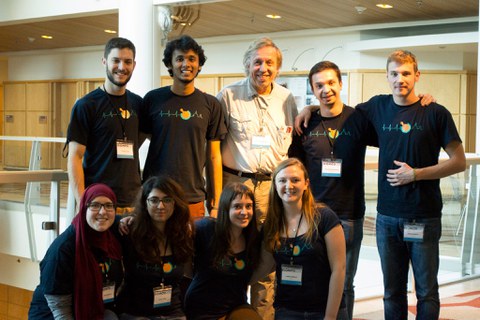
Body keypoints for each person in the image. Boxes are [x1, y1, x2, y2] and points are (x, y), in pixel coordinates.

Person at [355, 50, 466, 319]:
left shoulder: (435, 112)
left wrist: (415, 174)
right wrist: (310, 108)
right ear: (387, 76)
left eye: (406, 73)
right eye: (394, 73)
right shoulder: (377, 107)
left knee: (426, 291)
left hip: (424, 217)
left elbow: (459, 162)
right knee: (392, 291)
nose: (399, 79)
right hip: (387, 218)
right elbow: (338, 114)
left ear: (417, 76)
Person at [288, 61, 377, 320]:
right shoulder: (305, 124)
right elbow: (295, 169)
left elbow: (393, 134)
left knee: (346, 282)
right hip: (311, 215)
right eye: (319, 85)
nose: (326, 89)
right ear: (313, 90)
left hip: (349, 214)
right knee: (311, 279)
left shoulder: (358, 119)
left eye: (330, 83)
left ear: (340, 83)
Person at [216, 36, 298, 319]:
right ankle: (232, 312)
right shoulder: (227, 96)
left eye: (270, 63)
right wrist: (214, 193)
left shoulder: (286, 99)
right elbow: (212, 148)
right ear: (247, 65)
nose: (263, 68)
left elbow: (295, 140)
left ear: (277, 68)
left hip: (272, 188)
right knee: (231, 252)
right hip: (235, 184)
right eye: (257, 62)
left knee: (267, 257)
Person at [141, 35, 227, 220]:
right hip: (155, 194)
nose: (185, 64)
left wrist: (216, 202)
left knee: (189, 248)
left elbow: (214, 155)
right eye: (179, 59)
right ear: (170, 64)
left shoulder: (211, 104)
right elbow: (139, 140)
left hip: (192, 195)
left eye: (191, 59)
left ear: (199, 65)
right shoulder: (152, 100)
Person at [252, 158, 347, 319]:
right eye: (282, 180)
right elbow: (265, 266)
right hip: (287, 311)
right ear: (275, 185)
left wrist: (330, 317)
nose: (289, 186)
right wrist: (234, 283)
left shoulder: (324, 217)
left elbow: (339, 269)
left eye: (295, 180)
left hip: (324, 310)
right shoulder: (272, 224)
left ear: (306, 184)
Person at [66, 37, 143, 213]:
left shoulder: (137, 103)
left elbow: (143, 137)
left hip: (133, 201)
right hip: (99, 202)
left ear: (134, 65)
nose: (122, 67)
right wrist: (82, 202)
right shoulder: (87, 105)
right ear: (104, 62)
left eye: (127, 62)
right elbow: (75, 157)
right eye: (116, 60)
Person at [29, 183, 123, 319]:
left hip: (92, 310)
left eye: (109, 206)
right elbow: (59, 309)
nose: (102, 212)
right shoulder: (63, 249)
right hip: (53, 315)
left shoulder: (112, 239)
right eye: (95, 205)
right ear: (84, 208)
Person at [116, 176, 194, 319]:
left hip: (172, 313)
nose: (160, 206)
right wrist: (121, 220)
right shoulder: (130, 232)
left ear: (176, 203)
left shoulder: (183, 235)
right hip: (135, 313)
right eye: (154, 200)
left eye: (167, 200)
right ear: (145, 203)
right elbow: (100, 221)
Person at [184, 182, 262, 320]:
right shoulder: (206, 229)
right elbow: (177, 236)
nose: (244, 212)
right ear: (226, 208)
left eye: (248, 206)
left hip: (236, 307)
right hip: (202, 309)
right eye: (237, 206)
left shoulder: (253, 239)